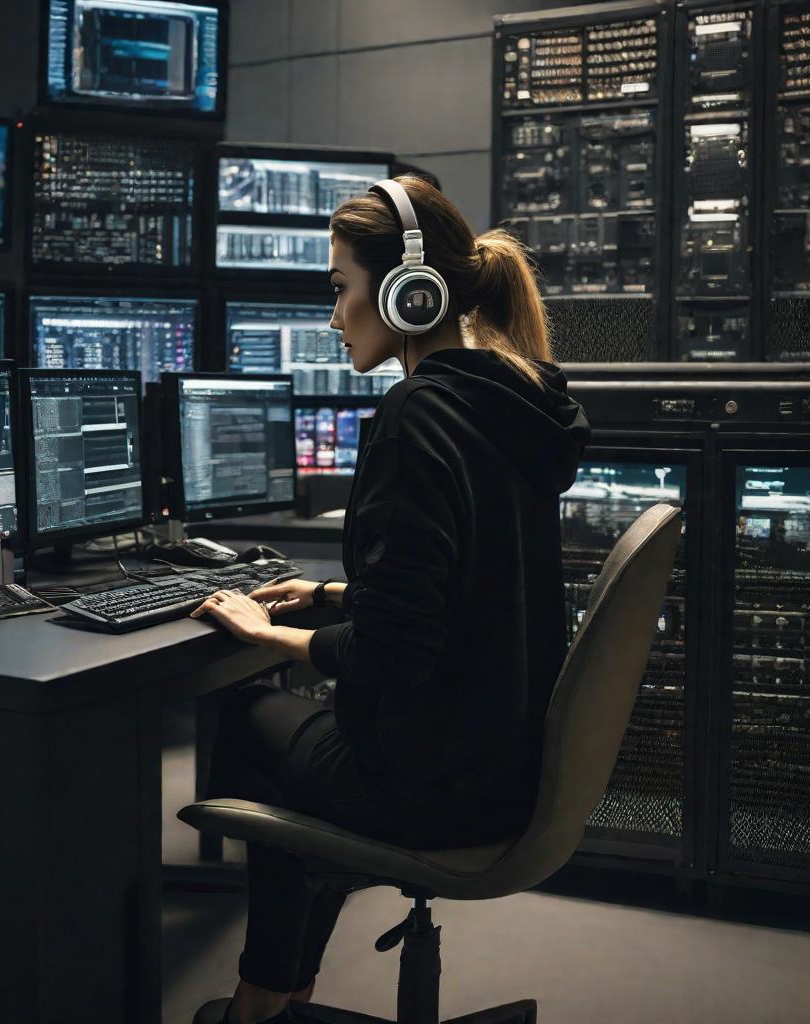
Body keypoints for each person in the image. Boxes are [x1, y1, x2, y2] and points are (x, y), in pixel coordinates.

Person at [189, 175, 591, 1024]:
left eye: (340, 289)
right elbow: (471, 589)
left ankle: (266, 997)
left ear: (411, 291)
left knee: (249, 720)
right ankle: (283, 987)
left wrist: (271, 634)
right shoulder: (512, 401)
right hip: (509, 767)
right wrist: (335, 593)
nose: (334, 318)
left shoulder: (417, 415)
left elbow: (393, 655)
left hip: (436, 784)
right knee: (304, 732)